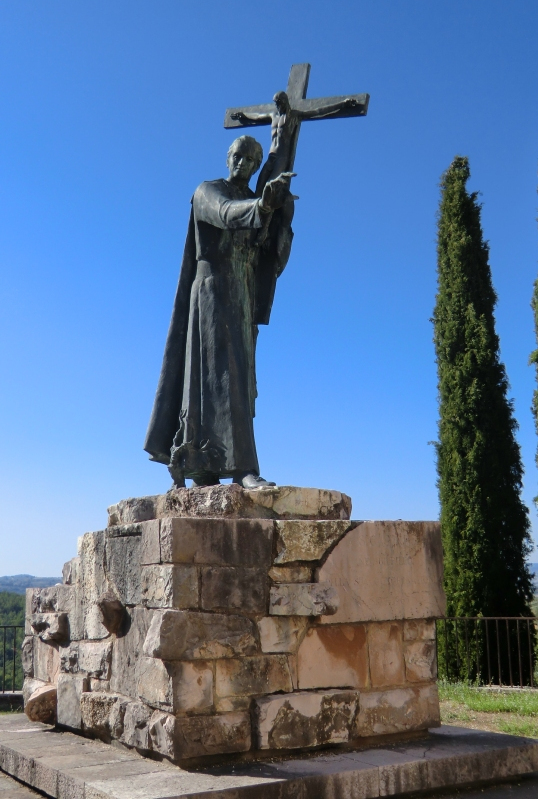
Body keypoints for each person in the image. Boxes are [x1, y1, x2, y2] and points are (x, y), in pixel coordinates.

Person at [143, 135, 295, 489]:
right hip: (212, 292)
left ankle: (215, 466)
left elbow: (270, 257)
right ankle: (236, 468)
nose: (243, 164)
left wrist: (280, 214)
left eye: (251, 161)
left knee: (239, 380)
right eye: (238, 156)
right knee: (216, 378)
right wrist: (263, 207)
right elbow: (227, 214)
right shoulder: (207, 191)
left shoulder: (252, 199)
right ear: (228, 157)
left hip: (240, 291)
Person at [231, 90, 359, 195]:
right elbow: (257, 116)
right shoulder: (273, 115)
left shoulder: (294, 115)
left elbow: (319, 111)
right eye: (276, 103)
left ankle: (266, 220)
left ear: (285, 102)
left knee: (270, 187)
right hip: (272, 156)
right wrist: (244, 115)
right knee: (259, 187)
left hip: (282, 157)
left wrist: (342, 104)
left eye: (280, 102)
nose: (278, 105)